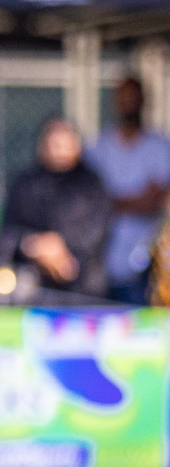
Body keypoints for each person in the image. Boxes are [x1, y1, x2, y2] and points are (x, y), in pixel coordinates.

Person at [0, 118, 110, 298]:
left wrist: (62, 251)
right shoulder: (26, 184)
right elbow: (9, 231)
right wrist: (36, 245)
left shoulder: (91, 185)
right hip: (32, 286)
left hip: (82, 286)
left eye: (64, 145)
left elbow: (97, 232)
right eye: (54, 144)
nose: (59, 151)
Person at [85, 77, 170, 304]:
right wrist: (130, 200)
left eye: (133, 97)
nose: (128, 103)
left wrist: (111, 202)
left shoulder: (159, 146)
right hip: (101, 259)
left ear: (144, 101)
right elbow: (90, 200)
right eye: (124, 98)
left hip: (145, 263)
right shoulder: (99, 147)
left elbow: (151, 203)